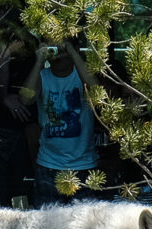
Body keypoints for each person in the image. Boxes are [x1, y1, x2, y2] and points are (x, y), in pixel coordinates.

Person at [20, 38, 100, 207]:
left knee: (84, 225)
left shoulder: (81, 76)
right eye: (52, 50)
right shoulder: (43, 77)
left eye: (61, 49)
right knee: (46, 224)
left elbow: (98, 93)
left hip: (83, 164)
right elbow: (25, 98)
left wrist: (72, 51)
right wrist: (39, 62)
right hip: (49, 164)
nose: (57, 55)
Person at [0, 0, 38, 206]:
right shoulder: (29, 40)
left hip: (0, 125)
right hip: (23, 122)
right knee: (19, 185)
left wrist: (3, 95)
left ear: (3, 13)